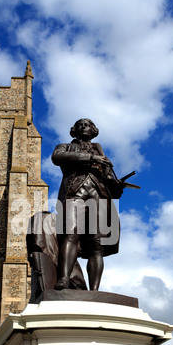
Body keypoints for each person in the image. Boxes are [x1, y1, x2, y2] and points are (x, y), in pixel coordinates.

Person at [51, 118, 124, 291]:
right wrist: (91, 158)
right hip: (75, 191)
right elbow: (57, 157)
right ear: (74, 130)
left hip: (99, 195)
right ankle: (63, 279)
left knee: (96, 245)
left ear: (94, 130)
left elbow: (109, 181)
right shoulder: (66, 147)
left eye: (88, 125)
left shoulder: (101, 152)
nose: (84, 127)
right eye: (80, 125)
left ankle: (95, 290)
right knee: (71, 235)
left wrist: (117, 185)